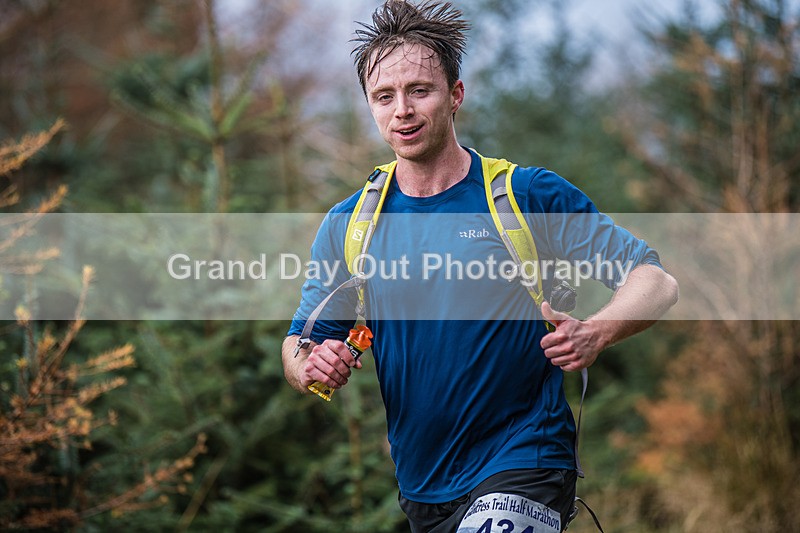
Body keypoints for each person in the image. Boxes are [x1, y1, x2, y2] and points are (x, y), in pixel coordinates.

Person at [282, 1, 679, 531]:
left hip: (525, 462)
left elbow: (655, 280)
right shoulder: (350, 223)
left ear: (456, 95)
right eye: (384, 96)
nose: (402, 109)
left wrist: (597, 331)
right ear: (371, 108)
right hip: (422, 484)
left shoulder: (525, 195)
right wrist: (309, 366)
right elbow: (298, 344)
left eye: (419, 90)